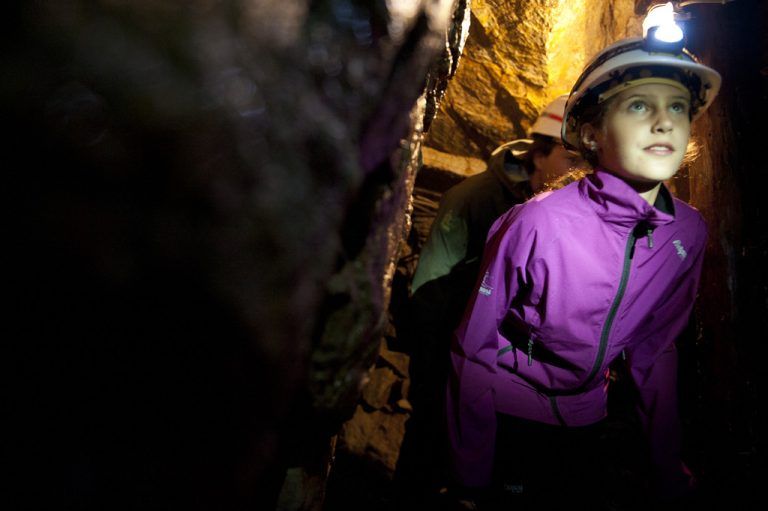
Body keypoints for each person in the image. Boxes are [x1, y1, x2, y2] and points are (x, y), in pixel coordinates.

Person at [446, 36, 721, 509]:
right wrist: (470, 473)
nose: (663, 121)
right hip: (515, 417)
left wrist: (666, 466)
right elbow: (474, 347)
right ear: (591, 134)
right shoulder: (538, 221)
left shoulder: (688, 232)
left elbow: (655, 351)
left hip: (590, 419)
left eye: (677, 107)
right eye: (638, 105)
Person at [395, 96, 581, 507]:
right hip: (453, 352)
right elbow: (430, 290)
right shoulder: (472, 199)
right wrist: (435, 373)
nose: (580, 172)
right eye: (570, 158)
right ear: (539, 153)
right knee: (428, 445)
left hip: (512, 370)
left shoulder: (566, 211)